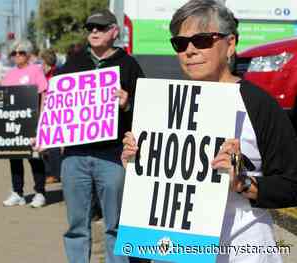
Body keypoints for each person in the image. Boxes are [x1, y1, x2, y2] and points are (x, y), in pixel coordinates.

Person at [121, 1, 297, 263]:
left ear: (231, 44)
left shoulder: (258, 103)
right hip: (179, 249)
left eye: (202, 40)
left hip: (245, 246)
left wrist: (243, 183)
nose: (189, 51)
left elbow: (291, 184)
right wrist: (137, 165)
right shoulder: (160, 105)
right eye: (180, 44)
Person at [55, 9, 144, 263]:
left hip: (112, 156)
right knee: (76, 226)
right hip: (74, 156)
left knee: (115, 224)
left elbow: (147, 109)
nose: (94, 32)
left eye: (101, 27)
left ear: (114, 32)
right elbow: (55, 104)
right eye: (91, 27)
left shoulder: (129, 65)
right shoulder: (72, 63)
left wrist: (128, 103)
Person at [1, 39, 48, 208]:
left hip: (32, 121)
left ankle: (40, 192)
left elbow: (43, 94)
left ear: (28, 54)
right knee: (14, 157)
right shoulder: (9, 75)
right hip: (14, 124)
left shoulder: (36, 70)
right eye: (14, 53)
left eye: (21, 52)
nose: (17, 56)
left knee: (34, 158)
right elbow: (2, 99)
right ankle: (17, 192)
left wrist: (42, 118)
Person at [39, 48, 61, 184]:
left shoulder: (57, 74)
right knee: (43, 145)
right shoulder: (43, 76)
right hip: (44, 112)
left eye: (42, 63)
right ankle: (49, 172)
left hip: (55, 113)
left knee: (53, 146)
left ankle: (55, 173)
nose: (40, 67)